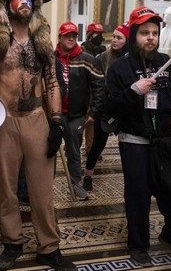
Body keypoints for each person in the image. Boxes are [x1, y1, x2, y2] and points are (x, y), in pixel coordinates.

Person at [0, 0, 77, 271]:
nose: (23, 1)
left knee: (42, 190)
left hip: (37, 119)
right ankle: (12, 243)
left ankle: (49, 247)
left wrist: (58, 121)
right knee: (7, 190)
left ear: (35, 4)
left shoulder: (43, 43)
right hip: (3, 121)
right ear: (7, 3)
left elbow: (52, 82)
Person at [105, 6, 171, 267]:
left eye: (154, 33)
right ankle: (138, 244)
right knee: (138, 194)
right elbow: (110, 108)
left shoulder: (167, 64)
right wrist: (134, 90)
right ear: (134, 34)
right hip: (135, 141)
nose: (150, 37)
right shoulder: (119, 69)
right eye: (144, 32)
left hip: (166, 141)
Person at [55, 21, 103, 200]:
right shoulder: (51, 59)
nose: (70, 38)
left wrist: (93, 113)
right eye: (67, 35)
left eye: (74, 36)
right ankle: (45, 185)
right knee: (50, 150)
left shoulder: (87, 59)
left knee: (74, 151)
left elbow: (99, 86)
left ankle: (75, 184)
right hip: (54, 115)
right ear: (60, 37)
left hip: (76, 115)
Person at [83, 23, 129, 191]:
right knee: (97, 145)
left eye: (119, 38)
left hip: (125, 110)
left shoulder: (131, 59)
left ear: (127, 40)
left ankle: (131, 181)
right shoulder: (103, 57)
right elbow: (97, 85)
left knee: (127, 148)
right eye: (114, 37)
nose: (114, 40)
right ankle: (88, 176)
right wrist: (95, 108)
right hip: (105, 108)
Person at [80, 22, 106, 158]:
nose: (99, 37)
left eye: (101, 34)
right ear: (90, 35)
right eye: (97, 34)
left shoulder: (103, 50)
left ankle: (90, 149)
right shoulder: (82, 50)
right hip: (84, 91)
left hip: (97, 90)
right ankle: (74, 143)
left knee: (93, 122)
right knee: (82, 121)